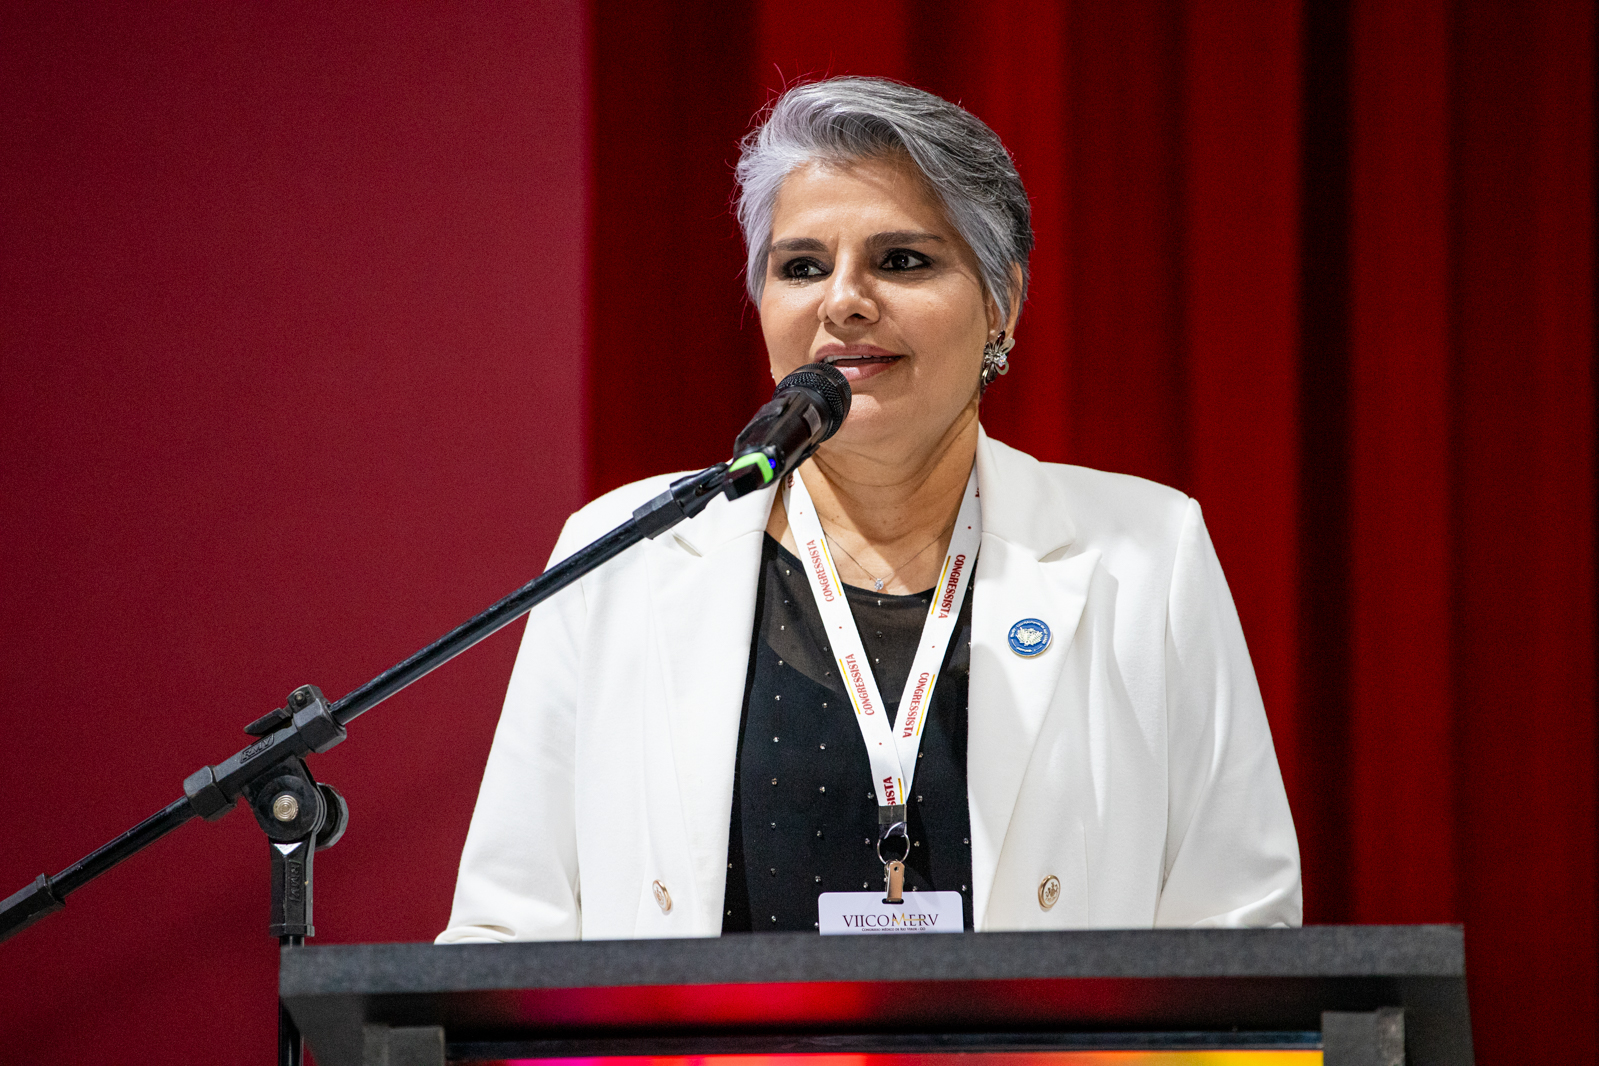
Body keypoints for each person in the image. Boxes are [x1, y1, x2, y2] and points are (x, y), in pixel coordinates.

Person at [437, 77, 1300, 942]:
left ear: (1000, 302)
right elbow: (505, 936)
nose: (841, 300)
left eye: (901, 261)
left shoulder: (1147, 552)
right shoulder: (624, 552)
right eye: (801, 267)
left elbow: (1238, 929)